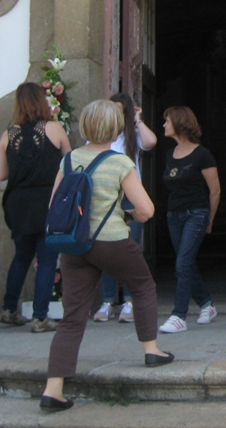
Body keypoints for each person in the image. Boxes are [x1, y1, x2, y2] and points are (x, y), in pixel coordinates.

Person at [40, 99, 172, 413]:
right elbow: (146, 210)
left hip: (75, 244)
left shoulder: (69, 160)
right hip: (111, 241)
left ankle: (53, 389)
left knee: (73, 315)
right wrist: (129, 216)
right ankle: (151, 350)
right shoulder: (119, 162)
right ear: (115, 129)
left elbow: (54, 205)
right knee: (142, 285)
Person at [0, 82, 71, 333]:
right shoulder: (55, 129)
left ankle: (9, 309)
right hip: (47, 201)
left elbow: (1, 174)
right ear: (41, 101)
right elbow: (69, 166)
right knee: (47, 259)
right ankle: (40, 317)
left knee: (21, 256)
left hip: (18, 203)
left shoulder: (8, 134)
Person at [93, 93, 157, 323]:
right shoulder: (100, 136)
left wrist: (138, 121)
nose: (116, 116)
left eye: (121, 112)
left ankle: (129, 301)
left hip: (129, 198)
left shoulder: (131, 135)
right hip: (106, 198)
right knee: (106, 250)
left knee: (131, 250)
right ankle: (108, 301)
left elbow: (151, 142)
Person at [158, 106, 221, 333]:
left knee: (182, 263)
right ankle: (207, 304)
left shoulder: (202, 155)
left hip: (196, 213)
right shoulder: (169, 154)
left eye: (167, 121)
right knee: (186, 262)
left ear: (179, 123)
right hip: (174, 214)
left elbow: (215, 190)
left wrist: (210, 219)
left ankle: (179, 315)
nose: (164, 125)